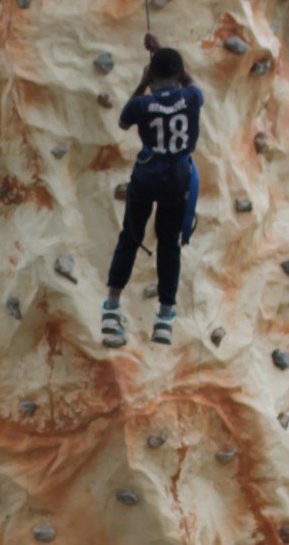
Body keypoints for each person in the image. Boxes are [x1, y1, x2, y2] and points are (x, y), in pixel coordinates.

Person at [102, 33, 202, 346]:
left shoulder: (143, 105)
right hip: (177, 180)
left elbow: (122, 120)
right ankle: (164, 317)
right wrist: (160, 52)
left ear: (152, 75)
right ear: (179, 74)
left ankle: (112, 307)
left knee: (130, 236)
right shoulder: (192, 98)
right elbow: (189, 81)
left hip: (146, 176)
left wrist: (143, 83)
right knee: (168, 244)